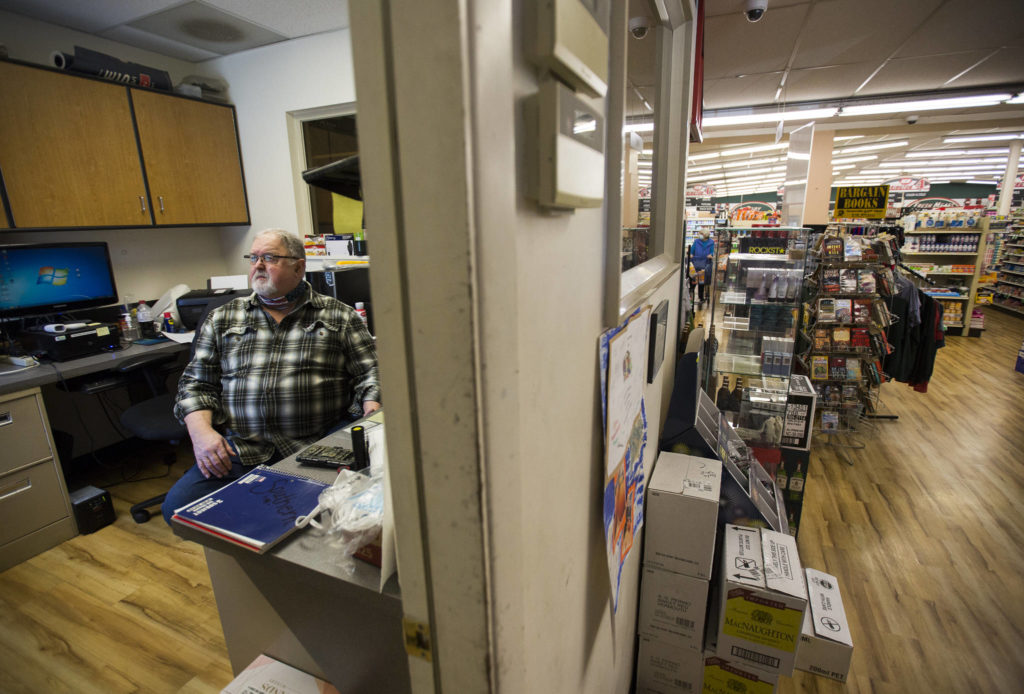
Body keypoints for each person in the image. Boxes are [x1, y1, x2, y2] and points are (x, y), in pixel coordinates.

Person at [162, 229, 380, 524]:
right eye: (253, 258)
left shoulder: (338, 317)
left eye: (269, 257)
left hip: (314, 446)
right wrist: (201, 435)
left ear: (298, 267)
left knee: (318, 521)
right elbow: (195, 384)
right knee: (179, 510)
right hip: (238, 449)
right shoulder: (223, 319)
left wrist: (371, 405)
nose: (258, 265)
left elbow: (371, 372)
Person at [689, 229, 715, 308]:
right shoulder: (697, 241)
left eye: (700, 233)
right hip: (696, 262)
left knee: (702, 281)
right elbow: (692, 250)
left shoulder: (711, 242)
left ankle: (701, 297)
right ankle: (691, 295)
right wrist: (691, 254)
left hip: (705, 263)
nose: (699, 234)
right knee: (693, 279)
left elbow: (712, 252)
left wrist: (711, 255)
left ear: (704, 235)